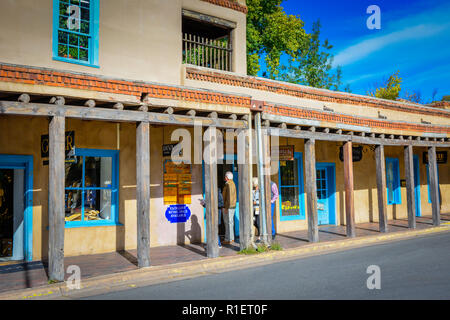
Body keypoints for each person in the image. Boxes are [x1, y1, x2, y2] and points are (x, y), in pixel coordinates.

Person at [222, 171, 236, 244]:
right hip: (231, 206)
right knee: (230, 223)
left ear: (227, 177)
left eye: (225, 176)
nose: (224, 178)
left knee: (228, 223)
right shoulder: (232, 183)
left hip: (228, 206)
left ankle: (228, 239)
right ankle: (230, 238)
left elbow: (229, 197)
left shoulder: (228, 184)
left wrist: (226, 207)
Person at [252, 177, 260, 243]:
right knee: (253, 221)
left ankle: (259, 237)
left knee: (258, 221)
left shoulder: (260, 191)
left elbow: (260, 200)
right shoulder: (253, 191)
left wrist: (255, 202)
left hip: (257, 208)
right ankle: (260, 231)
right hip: (253, 208)